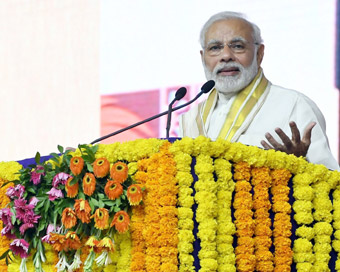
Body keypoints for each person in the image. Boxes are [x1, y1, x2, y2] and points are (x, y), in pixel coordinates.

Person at [179, 11, 339, 171]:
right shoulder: (191, 118)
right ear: (202, 58)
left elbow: (332, 183)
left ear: (259, 54)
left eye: (237, 46)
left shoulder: (295, 105)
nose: (226, 55)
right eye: (215, 48)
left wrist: (299, 165)